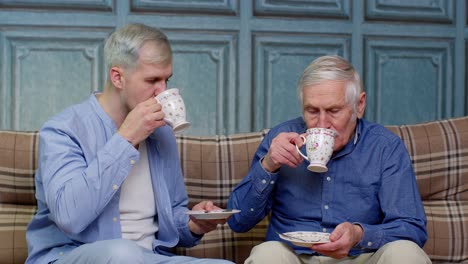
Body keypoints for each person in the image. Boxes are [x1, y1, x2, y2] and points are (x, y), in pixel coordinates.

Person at [26, 23, 233, 264]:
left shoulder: (161, 134)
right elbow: (70, 217)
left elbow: (173, 215)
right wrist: (126, 139)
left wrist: (193, 223)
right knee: (124, 254)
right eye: (152, 80)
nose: (162, 91)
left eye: (167, 80)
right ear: (118, 77)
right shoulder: (64, 130)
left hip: (150, 258)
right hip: (72, 255)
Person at [227, 55, 431, 264]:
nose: (322, 123)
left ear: (359, 105)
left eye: (334, 111)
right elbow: (238, 221)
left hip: (362, 255)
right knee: (266, 254)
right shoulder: (281, 139)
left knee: (406, 253)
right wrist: (269, 165)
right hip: (295, 257)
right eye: (312, 111)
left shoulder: (385, 147)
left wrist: (359, 235)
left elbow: (412, 228)